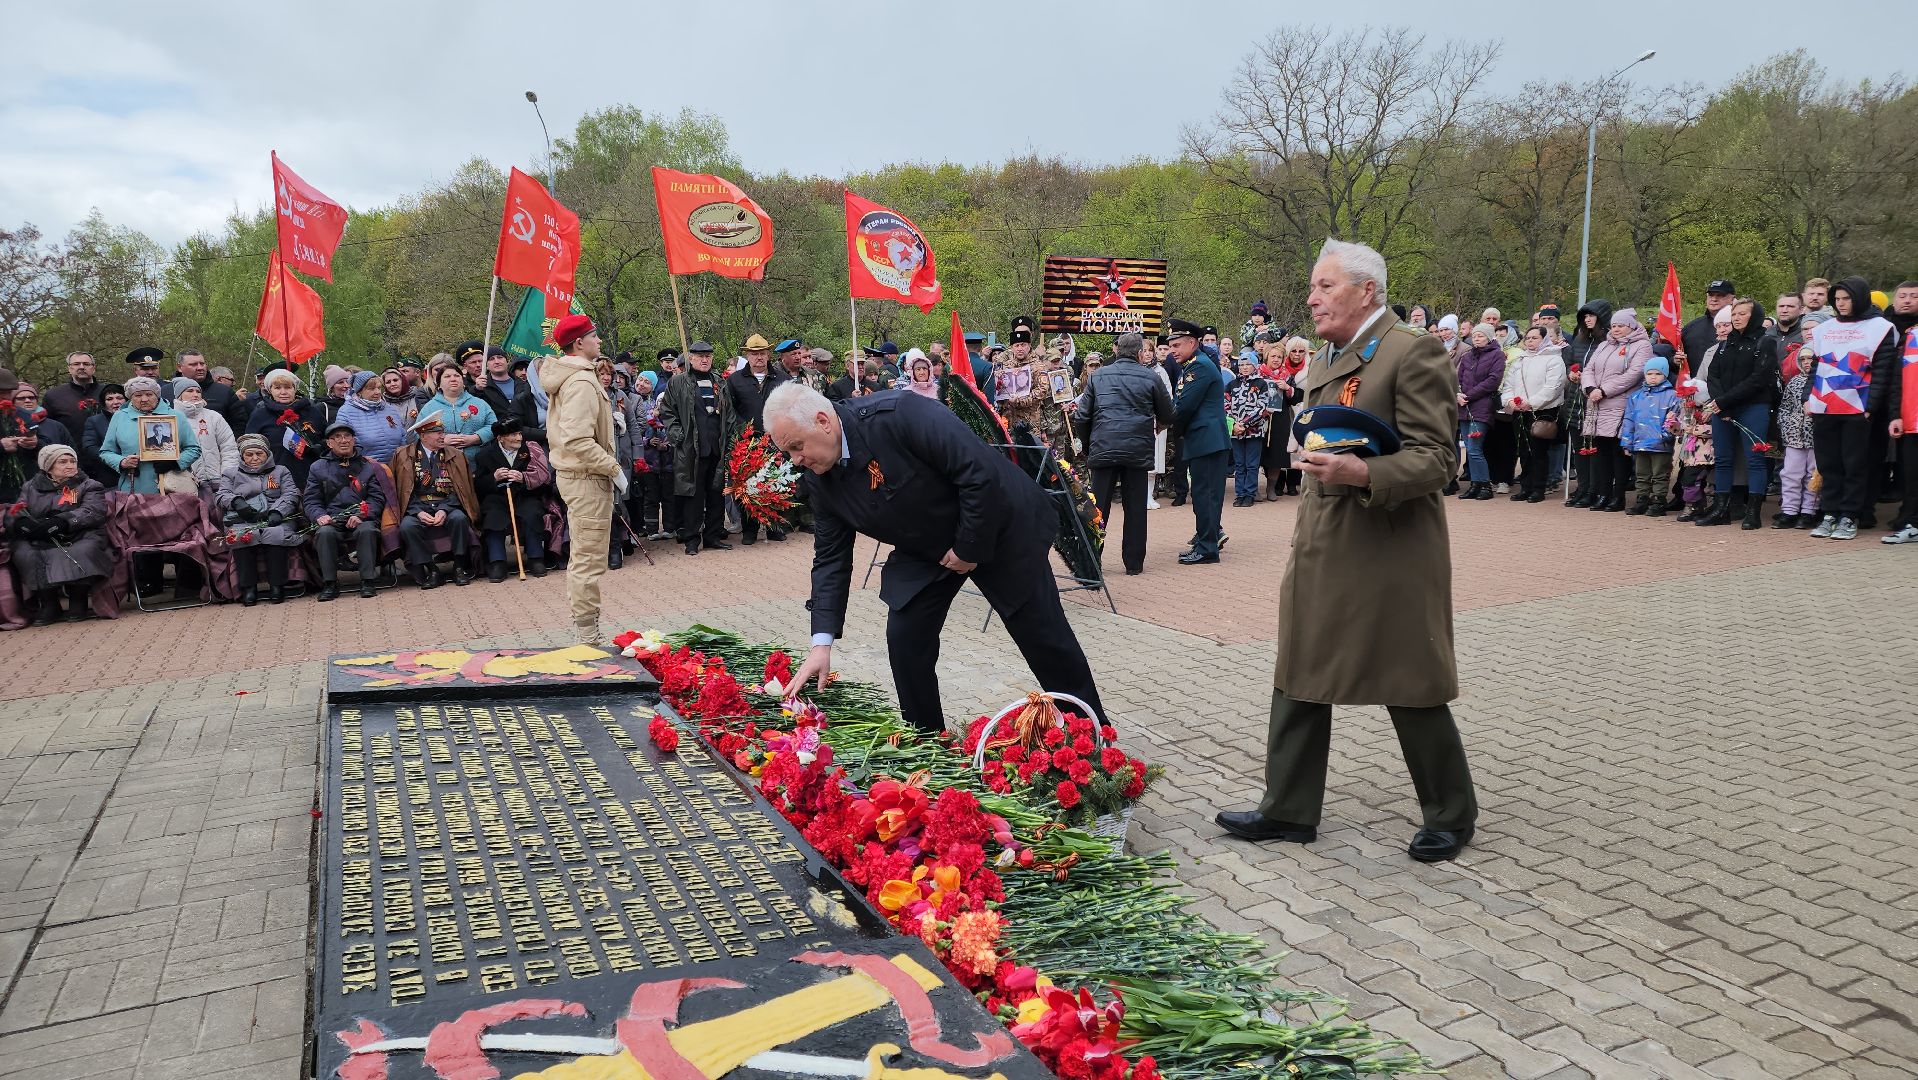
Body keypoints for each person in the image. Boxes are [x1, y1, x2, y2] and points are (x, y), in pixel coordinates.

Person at [1215, 238, 1476, 864]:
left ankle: (1451, 813)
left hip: (1389, 547)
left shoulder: (1411, 353)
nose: (1311, 298)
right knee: (1301, 669)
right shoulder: (1334, 355)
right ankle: (1288, 808)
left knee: (1408, 676)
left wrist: (1363, 474)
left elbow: (1439, 460)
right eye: (1313, 286)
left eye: (1324, 286)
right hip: (1325, 541)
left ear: (1368, 291)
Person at [765, 381, 1106, 735]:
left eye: (796, 447)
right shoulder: (820, 479)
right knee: (906, 638)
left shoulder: (902, 415)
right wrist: (821, 643)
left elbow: (979, 475)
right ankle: (927, 742)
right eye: (787, 452)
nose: (796, 460)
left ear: (823, 421)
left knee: (1042, 635)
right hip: (928, 545)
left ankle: (1093, 737)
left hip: (998, 522)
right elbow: (831, 558)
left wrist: (967, 549)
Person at [541, 315, 624, 642]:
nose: (599, 341)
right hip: (587, 477)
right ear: (579, 343)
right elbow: (577, 440)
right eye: (594, 336)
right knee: (588, 560)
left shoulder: (579, 377)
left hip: (584, 476)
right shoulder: (580, 382)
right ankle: (588, 637)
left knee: (588, 557)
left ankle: (588, 630)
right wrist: (612, 468)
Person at [1804, 278, 1901, 540]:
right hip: (1824, 405)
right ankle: (1830, 512)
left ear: (1859, 298)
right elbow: (1816, 365)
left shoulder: (1881, 328)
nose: (1841, 304)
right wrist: (1807, 397)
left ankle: (1850, 515)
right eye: (1837, 299)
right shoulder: (1825, 329)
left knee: (1854, 464)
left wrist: (1870, 406)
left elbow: (1883, 371)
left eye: (1846, 299)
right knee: (1828, 463)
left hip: (1857, 408)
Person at [1073, 332, 1173, 576]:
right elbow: (1169, 414)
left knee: (1096, 509)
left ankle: (1090, 562)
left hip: (1103, 447)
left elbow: (1082, 416)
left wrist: (1087, 446)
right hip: (1137, 449)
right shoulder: (1151, 377)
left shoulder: (1098, 377)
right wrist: (1158, 426)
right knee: (1136, 508)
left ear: (1116, 351)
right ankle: (1134, 564)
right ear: (1140, 353)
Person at [4, 444, 111, 624]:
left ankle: (78, 601)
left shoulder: (89, 485)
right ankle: (49, 604)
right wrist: (24, 524)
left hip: (79, 534)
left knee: (83, 549)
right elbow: (16, 510)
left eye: (72, 461)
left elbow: (93, 510)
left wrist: (63, 522)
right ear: (48, 466)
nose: (70, 465)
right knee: (24, 552)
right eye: (62, 462)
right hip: (41, 536)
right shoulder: (30, 487)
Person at [1699, 298, 1781, 529]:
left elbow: (1759, 379)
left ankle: (1753, 512)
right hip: (1723, 408)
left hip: (1753, 406)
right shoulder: (1726, 343)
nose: (1736, 318)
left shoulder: (1765, 342)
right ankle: (1721, 509)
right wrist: (1720, 403)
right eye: (1734, 314)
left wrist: (1725, 401)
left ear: (1754, 316)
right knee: (1723, 459)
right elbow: (1713, 374)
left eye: (1742, 314)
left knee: (1754, 459)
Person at [658, 340, 735, 556]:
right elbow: (668, 412)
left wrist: (729, 441)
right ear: (690, 358)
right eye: (700, 356)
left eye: (708, 356)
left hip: (716, 448)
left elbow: (729, 416)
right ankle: (692, 539)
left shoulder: (720, 382)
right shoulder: (679, 382)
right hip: (691, 448)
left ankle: (712, 536)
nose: (704, 359)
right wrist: (678, 436)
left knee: (716, 494)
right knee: (693, 495)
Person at [390, 414, 478, 587]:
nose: (442, 436)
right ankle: (431, 569)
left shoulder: (455, 455)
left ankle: (459, 567)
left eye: (442, 431)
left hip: (447, 505)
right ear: (423, 435)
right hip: (417, 507)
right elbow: (401, 490)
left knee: (459, 519)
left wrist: (444, 509)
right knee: (408, 526)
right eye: (436, 432)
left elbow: (461, 489)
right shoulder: (403, 455)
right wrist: (418, 512)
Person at [215, 434, 301, 606]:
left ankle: (277, 586)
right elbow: (221, 495)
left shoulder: (281, 471)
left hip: (275, 517)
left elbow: (291, 493)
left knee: (275, 534)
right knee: (242, 536)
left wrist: (278, 511)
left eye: (259, 454)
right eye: (249, 454)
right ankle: (248, 588)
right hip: (243, 518)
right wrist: (236, 502)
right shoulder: (231, 473)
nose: (254, 458)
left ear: (267, 454)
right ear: (242, 456)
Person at [304, 421, 386, 601]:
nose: (343, 440)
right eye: (337, 437)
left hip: (362, 518)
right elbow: (311, 500)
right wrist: (320, 516)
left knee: (367, 530)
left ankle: (368, 581)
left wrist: (362, 515)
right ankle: (330, 583)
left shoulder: (368, 466)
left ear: (354, 439)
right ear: (329, 443)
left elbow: (377, 498)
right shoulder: (317, 467)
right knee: (324, 533)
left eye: (347, 436)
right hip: (332, 519)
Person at [1169, 319, 1229, 565]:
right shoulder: (1195, 364)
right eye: (1171, 345)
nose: (1172, 350)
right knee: (1205, 493)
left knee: (1206, 495)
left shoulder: (1199, 367)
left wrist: (1168, 425)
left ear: (1192, 343)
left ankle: (1207, 548)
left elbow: (1184, 407)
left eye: (1177, 345)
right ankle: (1206, 540)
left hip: (1208, 440)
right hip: (1205, 440)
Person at [1579, 310, 1651, 512]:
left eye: (1622, 325)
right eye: (1614, 325)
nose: (1617, 329)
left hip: (1621, 405)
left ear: (1632, 326)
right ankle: (1603, 493)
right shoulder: (1604, 345)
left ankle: (1617, 496)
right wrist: (1590, 388)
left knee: (1619, 453)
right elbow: (1589, 369)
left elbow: (1635, 373)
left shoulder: (1642, 346)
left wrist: (1605, 390)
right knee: (1600, 453)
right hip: (1597, 404)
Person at [726, 334, 790, 545]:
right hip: (747, 442)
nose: (759, 358)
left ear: (769, 354)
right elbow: (730, 410)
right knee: (747, 485)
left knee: (776, 482)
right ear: (747, 356)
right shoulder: (734, 380)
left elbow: (789, 409)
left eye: (762, 353)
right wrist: (744, 429)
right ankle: (749, 530)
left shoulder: (782, 379)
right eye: (754, 354)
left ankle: (774, 527)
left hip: (775, 439)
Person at [473, 417, 552, 581]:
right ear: (500, 438)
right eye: (513, 435)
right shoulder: (485, 455)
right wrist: (494, 478)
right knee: (493, 516)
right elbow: (478, 485)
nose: (519, 438)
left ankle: (535, 557)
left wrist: (523, 478)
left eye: (519, 433)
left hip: (524, 495)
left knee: (532, 512)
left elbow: (545, 481)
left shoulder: (530, 450)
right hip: (498, 498)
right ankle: (497, 561)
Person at [100, 375, 200, 495]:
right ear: (130, 398)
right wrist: (122, 462)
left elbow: (194, 448)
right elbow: (106, 451)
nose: (144, 399)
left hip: (173, 486)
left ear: (157, 395)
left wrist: (175, 463)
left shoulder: (176, 416)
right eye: (138, 395)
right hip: (134, 487)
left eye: (149, 394)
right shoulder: (120, 417)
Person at [1502, 326, 1566, 504]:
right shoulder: (1520, 360)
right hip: (1519, 411)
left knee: (1538, 451)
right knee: (1523, 450)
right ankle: (1525, 486)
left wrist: (1531, 402)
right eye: (1528, 338)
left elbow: (1553, 387)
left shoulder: (1554, 360)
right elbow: (1508, 385)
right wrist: (1510, 402)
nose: (1530, 341)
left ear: (1544, 339)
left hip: (1541, 411)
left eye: (1535, 338)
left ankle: (1538, 488)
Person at [1618, 357, 1680, 516]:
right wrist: (1627, 442)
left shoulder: (1672, 395)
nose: (1653, 377)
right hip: (1640, 443)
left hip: (1661, 444)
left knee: (1660, 473)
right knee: (1641, 473)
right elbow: (1629, 419)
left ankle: (1659, 500)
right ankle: (1642, 499)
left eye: (1658, 374)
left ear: (1665, 375)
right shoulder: (1636, 396)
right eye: (1649, 373)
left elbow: (1675, 419)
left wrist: (1666, 435)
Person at [243, 368, 325, 486]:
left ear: (294, 389)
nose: (283, 392)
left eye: (287, 387)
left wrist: (318, 447)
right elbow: (249, 446)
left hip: (311, 478)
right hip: (274, 480)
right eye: (277, 388)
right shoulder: (260, 414)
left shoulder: (312, 411)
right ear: (270, 390)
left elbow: (328, 439)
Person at [1455, 324, 1506, 500]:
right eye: (1475, 336)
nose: (1476, 338)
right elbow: (1458, 378)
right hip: (1463, 406)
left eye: (1481, 336)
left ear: (1490, 337)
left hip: (1482, 406)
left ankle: (1485, 485)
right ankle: (1475, 485)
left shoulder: (1497, 355)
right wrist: (1458, 394)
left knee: (1475, 448)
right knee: (1469, 449)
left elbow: (1493, 380)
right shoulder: (1467, 356)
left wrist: (1469, 395)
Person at [1775, 333, 1821, 530]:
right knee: (1791, 473)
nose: (1806, 362)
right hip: (1794, 436)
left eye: (1810, 358)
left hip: (1815, 437)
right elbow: (1785, 406)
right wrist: (1785, 423)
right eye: (1802, 358)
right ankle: (1789, 510)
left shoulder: (1822, 381)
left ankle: (1809, 510)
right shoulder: (1794, 382)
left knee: (1813, 474)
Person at [415, 363, 496, 463]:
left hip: (479, 464)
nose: (453, 379)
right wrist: (442, 440)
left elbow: (493, 426)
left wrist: (475, 438)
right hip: (442, 466)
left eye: (457, 376)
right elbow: (418, 433)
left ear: (463, 381)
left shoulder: (480, 403)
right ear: (438, 383)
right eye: (447, 376)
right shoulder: (429, 408)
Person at [174, 378, 238, 487]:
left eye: (198, 391)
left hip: (219, 480)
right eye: (190, 391)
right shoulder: (172, 419)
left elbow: (229, 448)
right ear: (179, 395)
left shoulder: (214, 417)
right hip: (187, 483)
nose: (195, 394)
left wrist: (227, 475)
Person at [1225, 353, 1269, 507]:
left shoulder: (1261, 383)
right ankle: (1240, 494)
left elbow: (1262, 407)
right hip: (1235, 431)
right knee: (1239, 464)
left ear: (1254, 366)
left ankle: (1250, 493)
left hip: (1253, 431)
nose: (1244, 367)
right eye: (1242, 364)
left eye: (1248, 364)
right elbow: (1226, 405)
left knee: (1251, 464)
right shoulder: (1232, 384)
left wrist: (1244, 424)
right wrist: (1235, 425)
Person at [338, 370, 409, 464]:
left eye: (379, 388)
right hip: (365, 472)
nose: (377, 392)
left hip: (396, 469)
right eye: (371, 389)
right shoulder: (346, 412)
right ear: (359, 392)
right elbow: (343, 446)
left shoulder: (390, 409)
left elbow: (403, 438)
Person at [42, 352, 104, 436]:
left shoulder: (108, 393)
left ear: (94, 368)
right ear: (69, 368)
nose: (81, 367)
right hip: (68, 447)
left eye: (86, 364)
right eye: (76, 364)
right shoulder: (53, 396)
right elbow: (46, 428)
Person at [79, 383, 125, 489]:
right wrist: (115, 459)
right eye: (110, 399)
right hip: (108, 475)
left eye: (119, 398)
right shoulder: (95, 421)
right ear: (104, 403)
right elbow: (89, 447)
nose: (115, 402)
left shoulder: (136, 419)